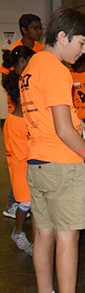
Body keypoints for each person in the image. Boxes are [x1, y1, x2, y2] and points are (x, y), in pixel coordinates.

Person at [20, 7, 85, 293]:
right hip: (62, 165)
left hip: (37, 164)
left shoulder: (33, 65)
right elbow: (64, 129)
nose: (83, 50)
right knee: (67, 239)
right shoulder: (57, 70)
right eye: (82, 43)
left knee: (43, 233)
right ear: (62, 37)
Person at [2, 13, 45, 219]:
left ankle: (23, 202)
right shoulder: (15, 52)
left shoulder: (42, 51)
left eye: (40, 28)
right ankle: (15, 203)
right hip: (19, 111)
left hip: (33, 110)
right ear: (24, 30)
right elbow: (8, 80)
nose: (39, 31)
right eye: (35, 28)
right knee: (21, 162)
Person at [2, 46, 36, 255]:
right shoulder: (13, 123)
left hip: (30, 166)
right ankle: (18, 232)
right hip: (21, 168)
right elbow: (24, 152)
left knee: (32, 202)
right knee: (25, 201)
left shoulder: (26, 117)